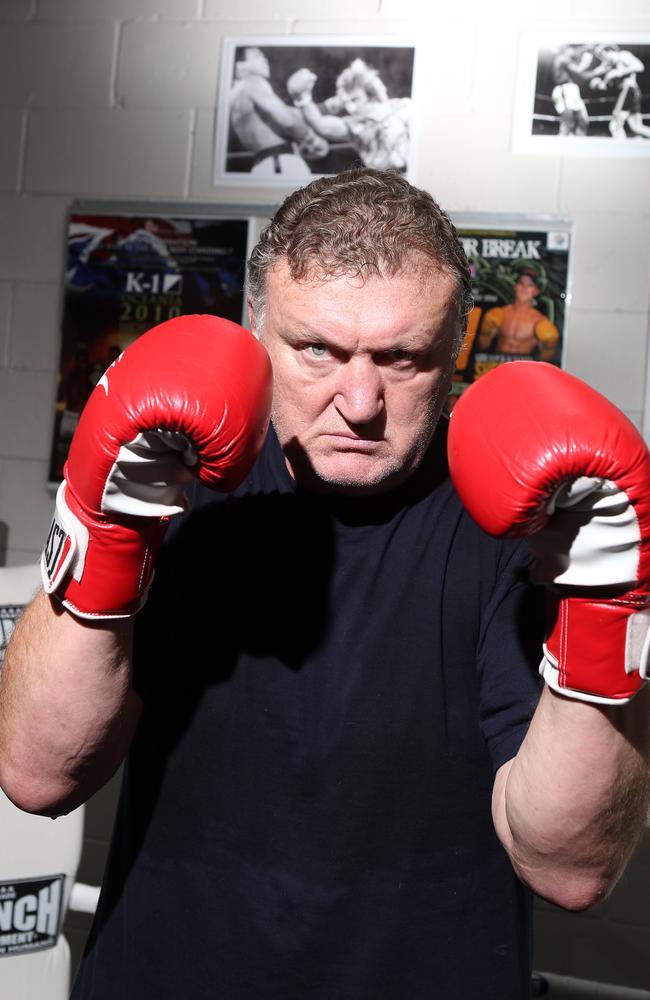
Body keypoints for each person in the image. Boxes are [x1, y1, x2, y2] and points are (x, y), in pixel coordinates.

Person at [2, 168, 650, 1000]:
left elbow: (571, 868)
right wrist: (104, 520)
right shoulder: (178, 489)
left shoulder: (522, 535)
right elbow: (36, 775)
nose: (360, 400)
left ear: (453, 351)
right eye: (318, 350)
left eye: (403, 358)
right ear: (257, 331)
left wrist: (602, 590)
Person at [287, 58, 412, 171]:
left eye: (354, 100)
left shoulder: (403, 107)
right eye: (346, 103)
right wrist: (302, 97)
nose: (350, 108)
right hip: (388, 187)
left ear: (370, 93)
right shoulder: (355, 126)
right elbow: (321, 125)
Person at [228, 46, 328, 178]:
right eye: (257, 56)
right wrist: (311, 139)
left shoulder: (235, 93)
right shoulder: (253, 82)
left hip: (264, 165)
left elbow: (290, 113)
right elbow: (286, 119)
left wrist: (327, 107)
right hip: (281, 164)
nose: (265, 59)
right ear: (241, 65)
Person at [476, 268, 560, 361]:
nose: (524, 288)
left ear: (535, 292)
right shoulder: (501, 314)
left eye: (530, 285)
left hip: (522, 370)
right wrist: (485, 333)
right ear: (515, 287)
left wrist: (550, 347)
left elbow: (546, 359)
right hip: (498, 366)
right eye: (521, 283)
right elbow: (482, 347)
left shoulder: (539, 321)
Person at [587, 44, 650, 139]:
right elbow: (603, 81)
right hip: (629, 93)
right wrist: (598, 84)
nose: (601, 59)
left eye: (601, 55)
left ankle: (624, 150)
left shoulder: (622, 55)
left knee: (615, 126)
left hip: (627, 91)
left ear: (608, 51)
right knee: (636, 127)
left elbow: (640, 66)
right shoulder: (609, 64)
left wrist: (620, 72)